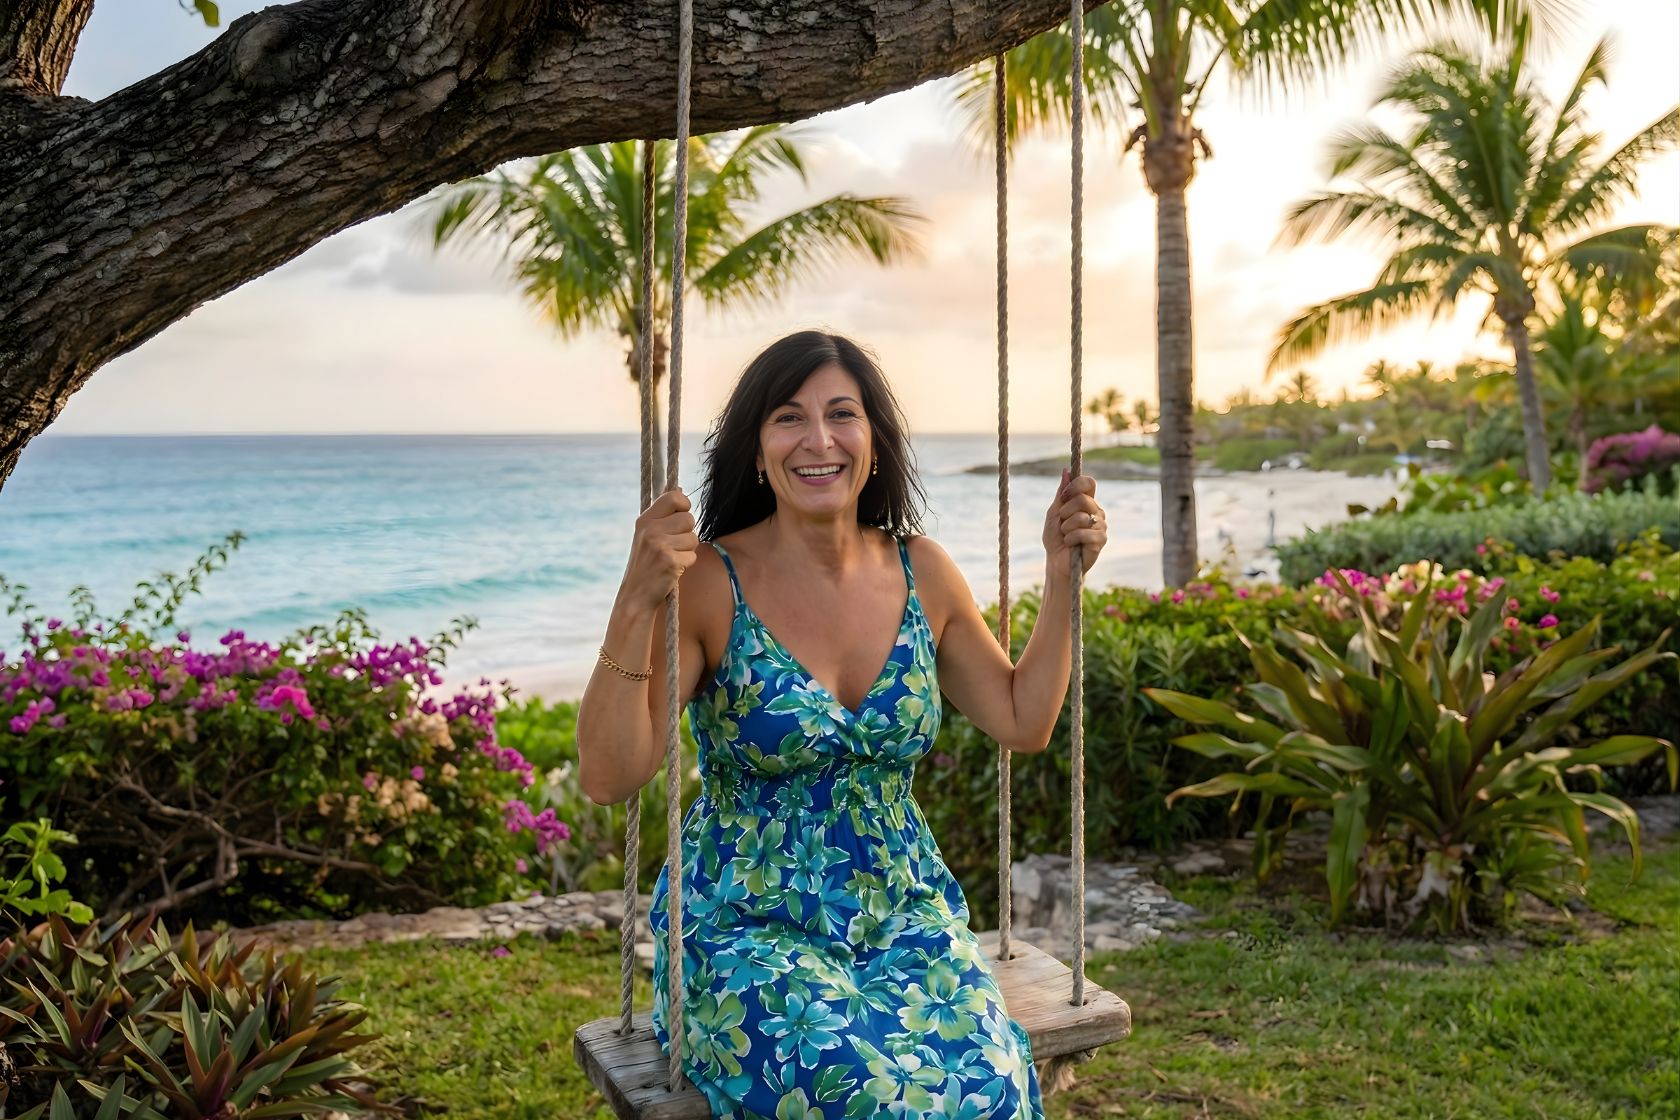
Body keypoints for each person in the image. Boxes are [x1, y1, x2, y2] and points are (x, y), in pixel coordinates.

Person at [576, 330, 1108, 1118]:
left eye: (841, 415)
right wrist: (635, 601)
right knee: (860, 1094)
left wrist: (1063, 578)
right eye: (789, 418)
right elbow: (610, 774)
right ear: (758, 453)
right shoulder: (713, 585)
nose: (818, 440)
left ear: (873, 443)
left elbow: (1024, 717)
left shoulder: (921, 572)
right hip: (744, 924)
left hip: (904, 910)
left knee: (991, 1085)